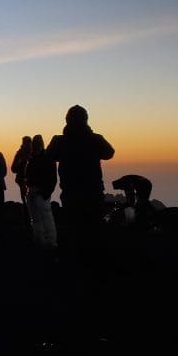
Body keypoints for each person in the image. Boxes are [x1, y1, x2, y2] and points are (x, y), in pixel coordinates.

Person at [44, 105, 114, 256]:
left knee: (73, 229)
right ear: (86, 120)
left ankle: (73, 263)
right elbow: (109, 153)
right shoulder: (95, 139)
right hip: (94, 191)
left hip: (71, 192)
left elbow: (48, 156)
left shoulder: (59, 141)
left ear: (67, 120)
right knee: (95, 228)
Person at [24, 135, 57, 251]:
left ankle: (50, 242)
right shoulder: (33, 158)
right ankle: (40, 241)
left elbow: (52, 178)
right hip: (34, 192)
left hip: (41, 193)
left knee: (44, 217)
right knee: (36, 218)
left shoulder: (45, 158)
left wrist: (44, 192)